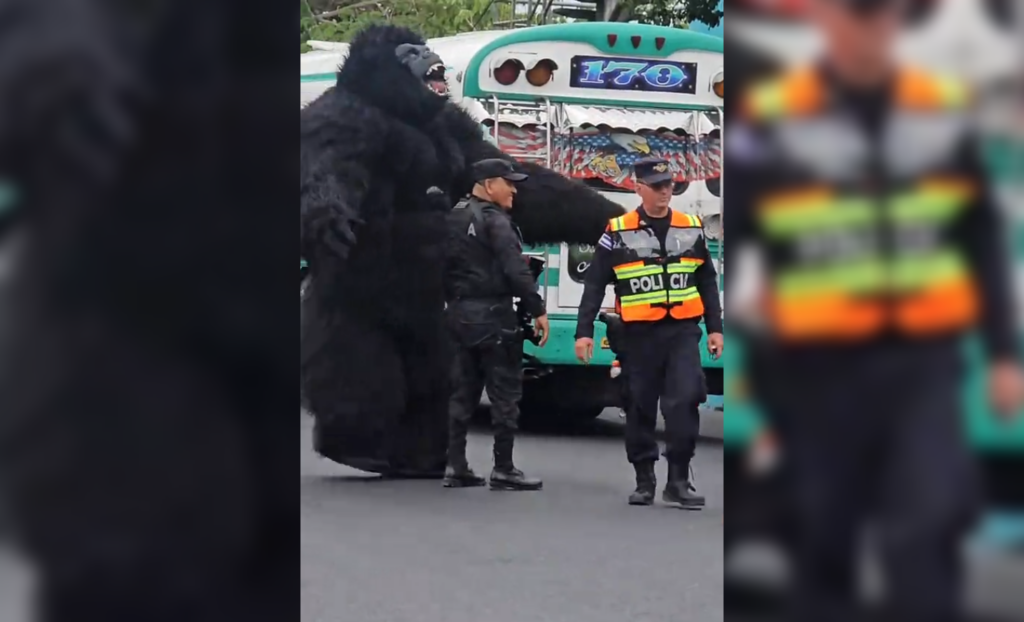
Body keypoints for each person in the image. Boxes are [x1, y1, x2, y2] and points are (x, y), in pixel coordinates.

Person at [729, 0, 1024, 619]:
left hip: (922, 360)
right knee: (822, 535)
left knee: (928, 519)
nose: (868, 28)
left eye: (882, 14)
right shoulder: (774, 115)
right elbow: (739, 238)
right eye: (854, 14)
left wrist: (1001, 353)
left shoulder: (942, 108)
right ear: (827, 23)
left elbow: (981, 237)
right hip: (814, 365)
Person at [574, 157, 724, 508]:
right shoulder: (618, 230)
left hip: (683, 332)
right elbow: (595, 283)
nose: (664, 192)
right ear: (638, 187)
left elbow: (707, 279)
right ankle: (645, 478)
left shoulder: (691, 226)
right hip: (638, 335)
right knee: (639, 405)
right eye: (656, 186)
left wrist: (715, 328)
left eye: (669, 185)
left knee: (686, 399)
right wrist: (584, 332)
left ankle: (678, 480)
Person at [443, 158, 549, 491]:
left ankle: (455, 465)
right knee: (505, 393)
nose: (514, 189)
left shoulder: (454, 217)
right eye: (508, 182)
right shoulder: (496, 222)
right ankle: (504, 468)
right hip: (494, 317)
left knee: (462, 393)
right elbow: (515, 270)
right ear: (489, 185)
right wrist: (537, 309)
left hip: (458, 315)